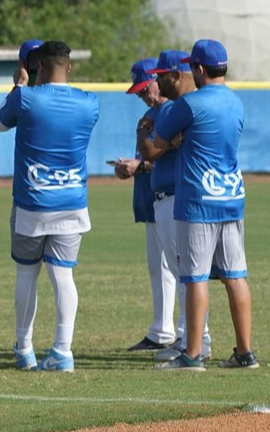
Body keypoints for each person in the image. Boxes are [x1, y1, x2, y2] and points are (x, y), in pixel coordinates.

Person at [153, 39, 257, 371]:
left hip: (198, 199)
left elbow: (156, 143)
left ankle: (193, 354)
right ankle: (245, 353)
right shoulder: (238, 103)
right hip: (231, 196)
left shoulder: (190, 104)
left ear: (198, 69)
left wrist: (174, 140)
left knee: (195, 276)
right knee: (235, 275)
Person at [0, 40, 99, 373]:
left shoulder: (26, 98)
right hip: (72, 201)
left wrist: (19, 86)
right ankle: (62, 351)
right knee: (63, 276)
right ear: (68, 66)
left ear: (37, 66)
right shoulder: (89, 103)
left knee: (27, 273)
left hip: (32, 201)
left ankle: (24, 349)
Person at [141, 50, 213, 362]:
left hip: (178, 197)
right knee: (184, 271)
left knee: (188, 273)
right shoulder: (179, 107)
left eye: (159, 76)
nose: (154, 82)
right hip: (169, 198)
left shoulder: (185, 107)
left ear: (175, 74)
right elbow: (153, 146)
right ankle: (189, 337)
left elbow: (153, 147)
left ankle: (195, 340)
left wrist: (152, 136)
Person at [113, 58, 175, 353]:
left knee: (175, 267)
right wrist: (131, 167)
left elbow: (171, 156)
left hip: (170, 197)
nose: (141, 96)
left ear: (157, 81)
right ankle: (161, 330)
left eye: (143, 89)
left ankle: (184, 334)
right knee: (157, 267)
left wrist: (141, 165)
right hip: (152, 197)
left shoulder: (172, 111)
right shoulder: (151, 115)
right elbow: (150, 159)